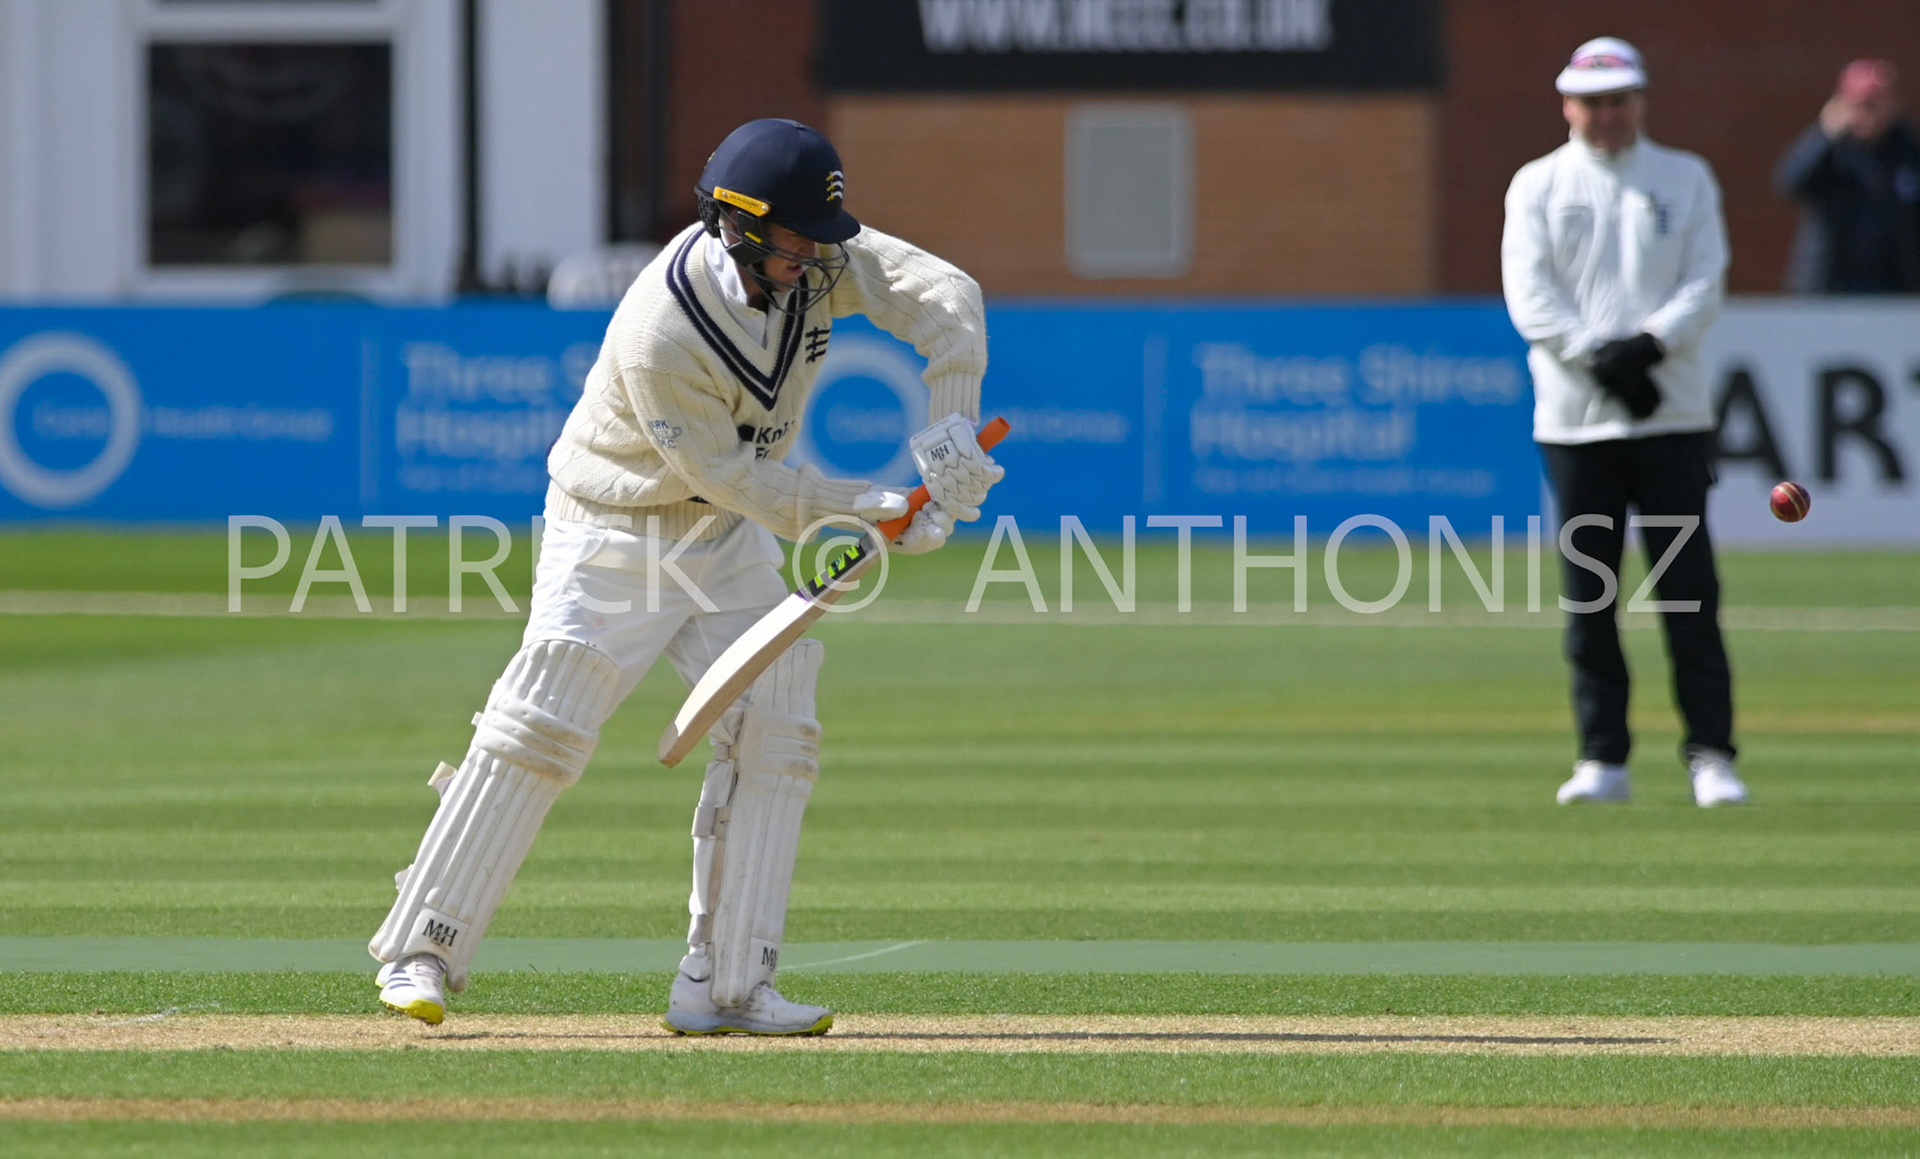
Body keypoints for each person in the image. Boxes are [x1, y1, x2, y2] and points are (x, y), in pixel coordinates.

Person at [368, 118, 1002, 1032]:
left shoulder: (813, 254)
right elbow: (728, 474)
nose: (817, 263)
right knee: (542, 721)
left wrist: (945, 444)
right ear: (738, 225)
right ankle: (422, 949)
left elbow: (948, 297)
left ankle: (731, 984)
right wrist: (868, 507)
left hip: (725, 537)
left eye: (820, 243)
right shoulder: (661, 328)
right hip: (614, 527)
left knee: (779, 718)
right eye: (795, 244)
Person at [1501, 37, 1749, 808]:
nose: (1607, 116)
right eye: (1593, 102)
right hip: (1576, 424)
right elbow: (1531, 297)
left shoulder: (1684, 176)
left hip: (1671, 416)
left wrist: (1648, 348)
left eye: (1619, 101)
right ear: (1567, 104)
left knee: (1687, 593)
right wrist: (1600, 361)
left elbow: (1704, 282)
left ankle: (1711, 753)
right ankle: (1602, 757)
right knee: (1591, 594)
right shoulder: (1539, 183)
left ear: (1639, 101)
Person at [1776, 59, 1920, 293]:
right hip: (1828, 287)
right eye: (1859, 105)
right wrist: (1824, 135)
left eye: (1873, 105)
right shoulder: (1830, 150)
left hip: (1893, 288)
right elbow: (1789, 184)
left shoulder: (1908, 151)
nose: (1866, 115)